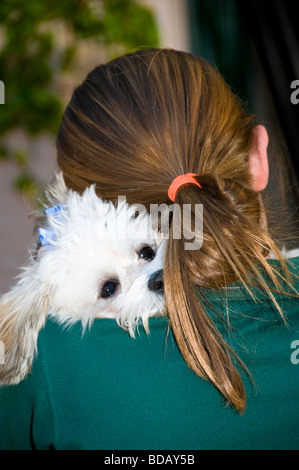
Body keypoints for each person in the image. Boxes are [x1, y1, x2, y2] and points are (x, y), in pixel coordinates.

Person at [0, 48, 298, 450]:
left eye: (145, 252)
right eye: (109, 289)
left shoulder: (52, 364)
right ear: (258, 156)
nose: (154, 273)